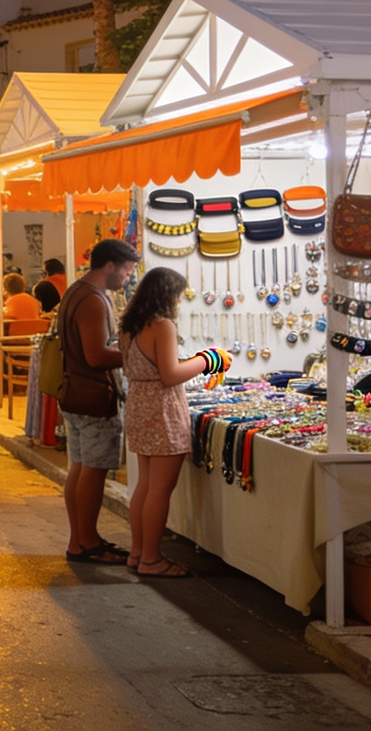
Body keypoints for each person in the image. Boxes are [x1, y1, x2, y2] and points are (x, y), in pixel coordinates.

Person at [119, 267, 231, 579]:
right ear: (168, 295)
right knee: (160, 489)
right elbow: (170, 375)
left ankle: (138, 552)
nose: (179, 302)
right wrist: (208, 359)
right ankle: (152, 559)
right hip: (161, 409)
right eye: (178, 296)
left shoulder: (130, 324)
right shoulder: (162, 325)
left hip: (140, 405)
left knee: (145, 484)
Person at [58, 238, 140, 567]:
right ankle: (86, 542)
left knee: (79, 468)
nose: (127, 278)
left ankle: (79, 539)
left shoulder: (76, 292)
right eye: (126, 271)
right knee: (92, 471)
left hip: (76, 394)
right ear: (110, 266)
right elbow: (96, 355)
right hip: (94, 396)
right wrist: (136, 356)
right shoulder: (93, 300)